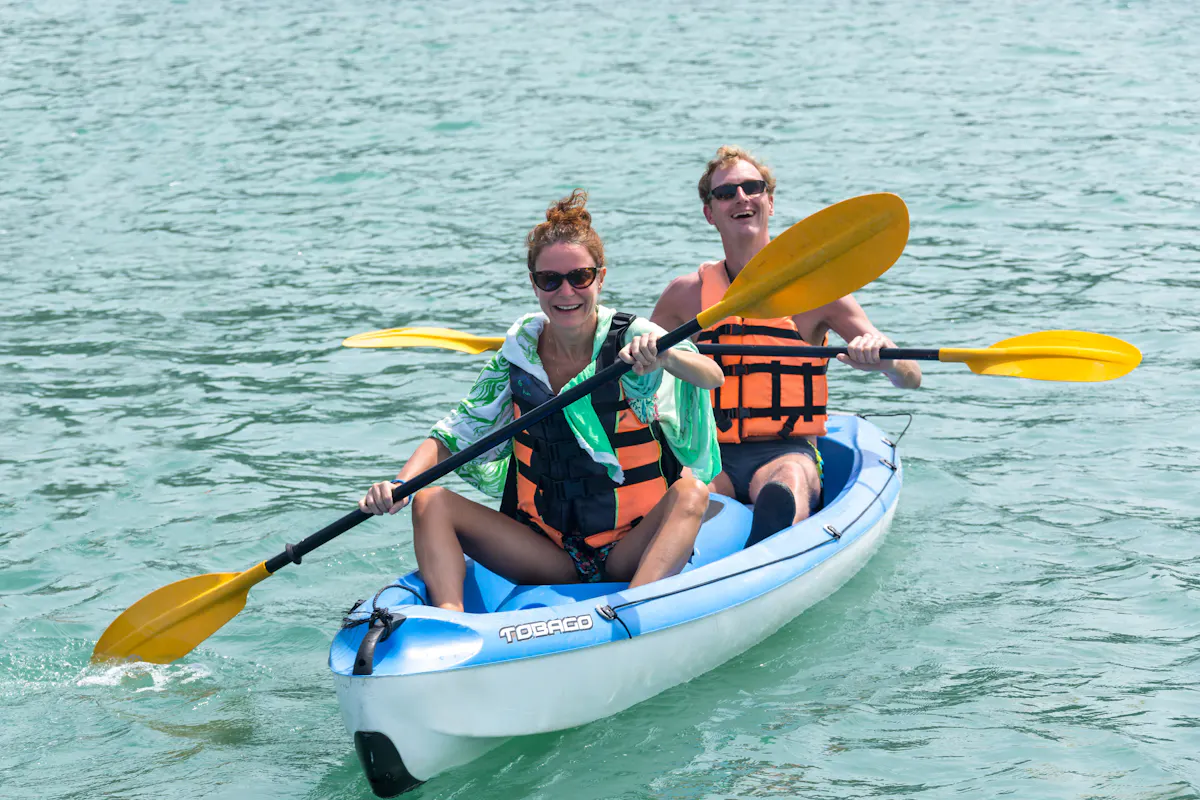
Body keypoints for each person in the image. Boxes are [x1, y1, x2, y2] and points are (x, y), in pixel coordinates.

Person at [359, 190, 724, 611]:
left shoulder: (635, 335)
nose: (566, 291)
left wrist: (666, 357)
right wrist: (401, 485)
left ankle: (632, 613)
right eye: (550, 279)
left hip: (630, 546)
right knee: (429, 501)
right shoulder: (518, 355)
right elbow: (453, 433)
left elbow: (710, 376)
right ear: (534, 284)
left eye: (580, 277)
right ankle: (450, 625)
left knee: (692, 492)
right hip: (548, 553)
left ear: (600, 279)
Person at [650, 146, 921, 542]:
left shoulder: (819, 292)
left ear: (770, 202)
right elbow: (636, 376)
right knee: (684, 493)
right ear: (710, 213)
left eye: (752, 187)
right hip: (711, 454)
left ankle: (771, 538)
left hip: (787, 451)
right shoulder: (685, 295)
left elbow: (911, 377)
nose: (741, 197)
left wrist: (885, 360)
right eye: (725, 193)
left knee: (785, 482)